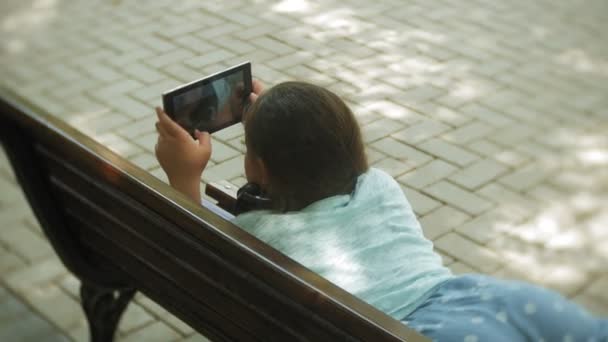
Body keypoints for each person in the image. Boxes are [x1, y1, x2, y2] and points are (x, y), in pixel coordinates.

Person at [155, 80, 607, 341]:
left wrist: (185, 181)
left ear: (260, 167)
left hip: (402, 333)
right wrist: (289, 116)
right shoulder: (379, 186)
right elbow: (314, 150)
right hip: (478, 297)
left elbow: (201, 259)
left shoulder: (260, 236)